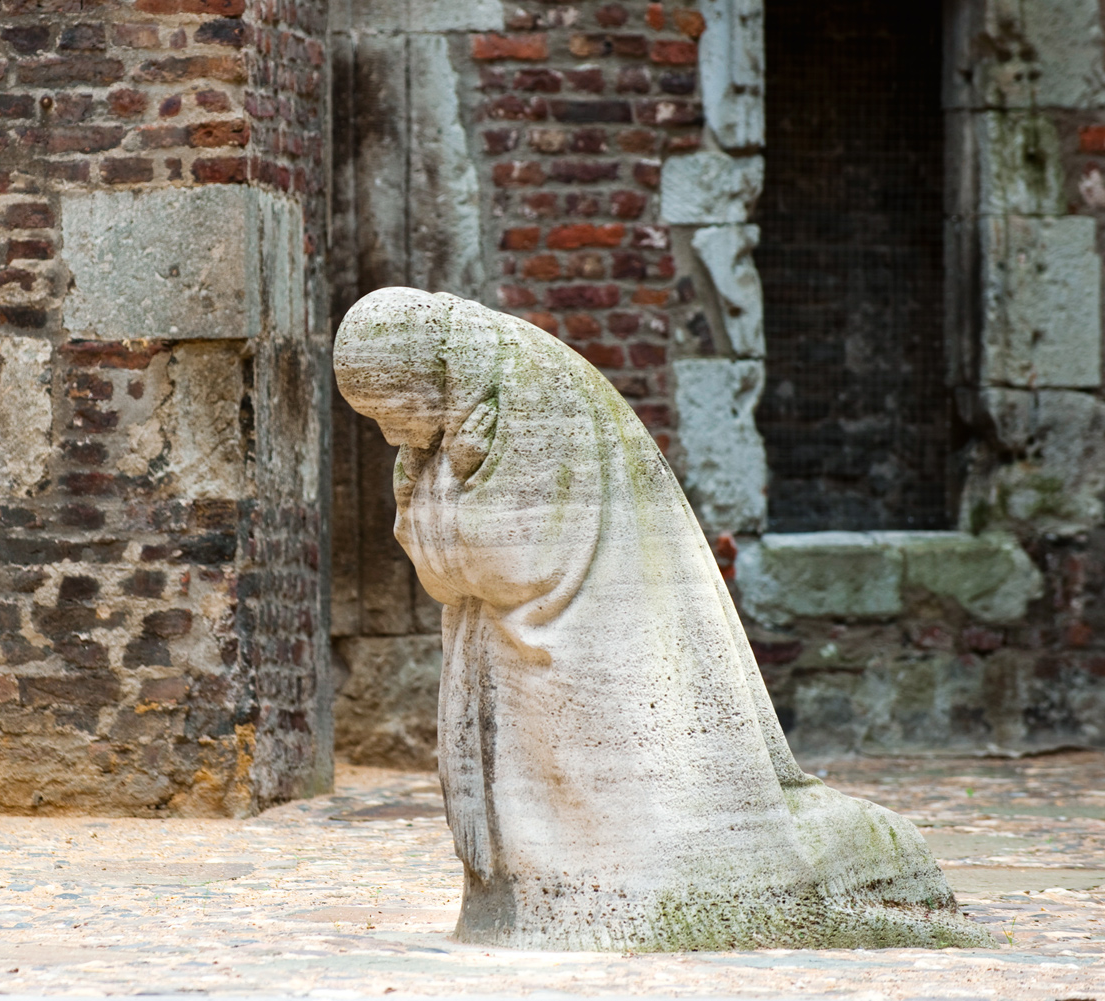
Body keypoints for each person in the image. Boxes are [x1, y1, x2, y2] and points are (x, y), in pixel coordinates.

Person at [333, 287, 988, 951]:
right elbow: (443, 573)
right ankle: (552, 905)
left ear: (424, 372)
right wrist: (435, 502)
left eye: (390, 411)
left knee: (618, 803)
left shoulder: (529, 394)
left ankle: (622, 904)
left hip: (587, 642)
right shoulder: (455, 415)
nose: (390, 434)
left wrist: (439, 510)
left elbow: (515, 560)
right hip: (514, 643)